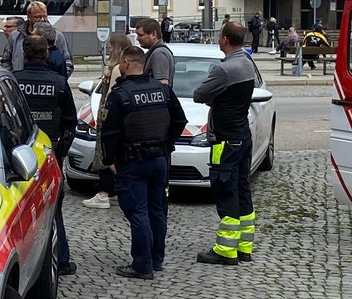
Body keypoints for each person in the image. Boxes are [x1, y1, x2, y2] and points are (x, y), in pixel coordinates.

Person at [101, 45, 185, 279]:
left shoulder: (120, 95)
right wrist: (166, 145)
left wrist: (109, 159)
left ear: (126, 64)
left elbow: (110, 133)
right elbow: (180, 120)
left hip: (132, 162)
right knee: (157, 211)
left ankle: (142, 265)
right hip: (159, 159)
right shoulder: (162, 90)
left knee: (138, 212)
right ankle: (157, 259)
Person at [12, 25, 77, 278]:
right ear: (48, 53)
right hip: (51, 155)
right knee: (53, 208)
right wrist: (61, 150)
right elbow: (70, 121)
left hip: (18, 156)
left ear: (24, 54)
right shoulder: (59, 83)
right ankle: (61, 259)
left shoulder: (13, 80)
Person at [193, 21, 261, 266]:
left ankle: (225, 250)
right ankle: (244, 247)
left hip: (225, 140)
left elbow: (199, 95)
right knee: (242, 188)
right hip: (242, 135)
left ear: (223, 39)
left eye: (219, 36)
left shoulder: (224, 69)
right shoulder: (247, 63)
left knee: (225, 189)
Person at [85, 35, 132, 209]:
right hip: (112, 114)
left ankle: (103, 194)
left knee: (105, 151)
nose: (109, 49)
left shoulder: (116, 69)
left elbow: (112, 94)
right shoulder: (122, 67)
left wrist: (105, 117)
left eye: (111, 46)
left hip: (108, 114)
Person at [134, 16, 176, 87]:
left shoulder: (159, 54)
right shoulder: (157, 52)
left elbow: (162, 85)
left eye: (140, 35)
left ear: (153, 34)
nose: (137, 38)